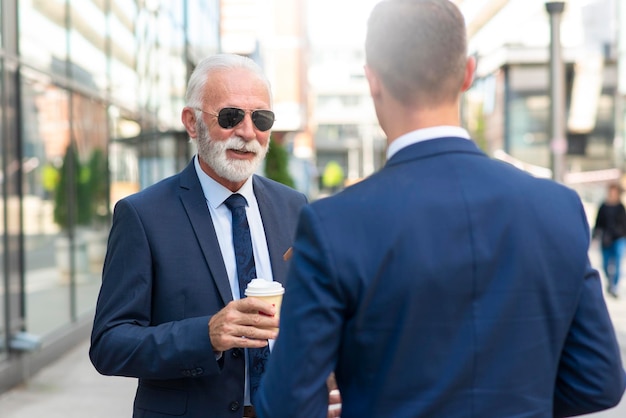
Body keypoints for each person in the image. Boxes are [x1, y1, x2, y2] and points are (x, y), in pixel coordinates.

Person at [255, 1, 626, 417]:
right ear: (467, 73)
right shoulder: (558, 207)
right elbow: (599, 382)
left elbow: (286, 406)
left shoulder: (332, 226)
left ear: (373, 81)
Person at [89, 53, 308, 418]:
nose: (247, 132)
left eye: (262, 118)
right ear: (192, 123)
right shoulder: (142, 215)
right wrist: (205, 337)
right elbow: (109, 344)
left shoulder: (294, 206)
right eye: (230, 116)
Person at [593, 182, 626, 298]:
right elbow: (598, 223)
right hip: (606, 239)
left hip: (619, 238)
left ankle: (614, 286)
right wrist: (595, 237)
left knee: (617, 263)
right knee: (605, 264)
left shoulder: (621, 207)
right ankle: (610, 281)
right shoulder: (603, 206)